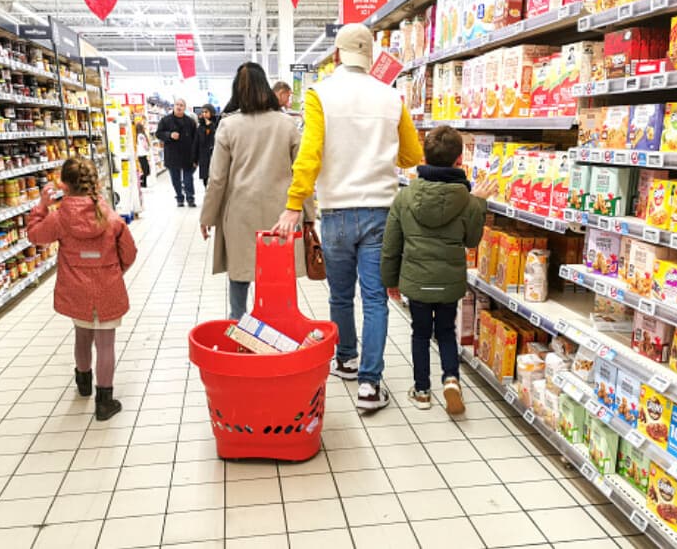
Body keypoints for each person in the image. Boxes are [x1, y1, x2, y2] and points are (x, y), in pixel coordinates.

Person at [273, 23, 424, 412]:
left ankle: (346, 359)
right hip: (381, 213)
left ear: (337, 55)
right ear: (370, 57)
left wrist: (294, 204)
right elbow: (411, 156)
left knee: (340, 294)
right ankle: (370, 387)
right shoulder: (392, 97)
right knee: (375, 298)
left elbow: (310, 154)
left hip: (336, 212)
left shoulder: (319, 94)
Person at [380, 127, 496, 415]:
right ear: (459, 160)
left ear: (424, 157)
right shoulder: (468, 200)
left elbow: (391, 245)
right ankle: (451, 379)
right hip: (448, 283)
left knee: (420, 333)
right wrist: (479, 203)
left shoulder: (404, 198)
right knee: (445, 332)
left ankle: (421, 391)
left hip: (417, 281)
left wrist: (389, 281)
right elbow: (471, 241)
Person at [27, 158, 137, 421]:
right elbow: (130, 252)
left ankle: (84, 385)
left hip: (75, 289)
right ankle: (104, 402)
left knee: (82, 336)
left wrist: (41, 206)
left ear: (63, 185)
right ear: (94, 182)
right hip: (107, 287)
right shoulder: (110, 217)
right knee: (106, 344)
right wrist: (113, 270)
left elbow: (35, 236)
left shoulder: (60, 218)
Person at [201, 63, 310, 320]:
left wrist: (207, 216)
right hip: (281, 214)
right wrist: (310, 213)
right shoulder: (287, 124)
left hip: (240, 212)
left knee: (240, 273)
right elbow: (302, 173)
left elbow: (217, 179)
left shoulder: (228, 126)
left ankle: (239, 328)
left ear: (237, 90)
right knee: (277, 276)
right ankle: (278, 329)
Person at [155, 98, 198, 207]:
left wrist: (196, 157)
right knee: (175, 179)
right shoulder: (165, 120)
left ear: (185, 108)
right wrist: (169, 135)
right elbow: (158, 133)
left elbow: (195, 139)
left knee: (188, 178)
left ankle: (190, 198)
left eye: (181, 105)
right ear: (173, 106)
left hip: (187, 155)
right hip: (172, 155)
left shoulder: (190, 122)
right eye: (177, 104)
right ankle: (179, 198)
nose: (179, 107)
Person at [193, 104, 218, 188]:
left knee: (216, 179)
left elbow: (214, 138)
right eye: (203, 112)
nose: (204, 114)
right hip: (204, 157)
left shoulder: (217, 124)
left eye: (206, 112)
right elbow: (196, 143)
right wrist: (195, 160)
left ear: (211, 112)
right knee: (205, 180)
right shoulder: (200, 127)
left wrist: (210, 125)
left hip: (215, 156)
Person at [135, 122, 151, 188]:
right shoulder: (141, 135)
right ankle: (143, 183)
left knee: (146, 170)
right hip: (142, 154)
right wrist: (148, 148)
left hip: (142, 155)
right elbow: (144, 144)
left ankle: (143, 183)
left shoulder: (139, 135)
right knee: (146, 170)